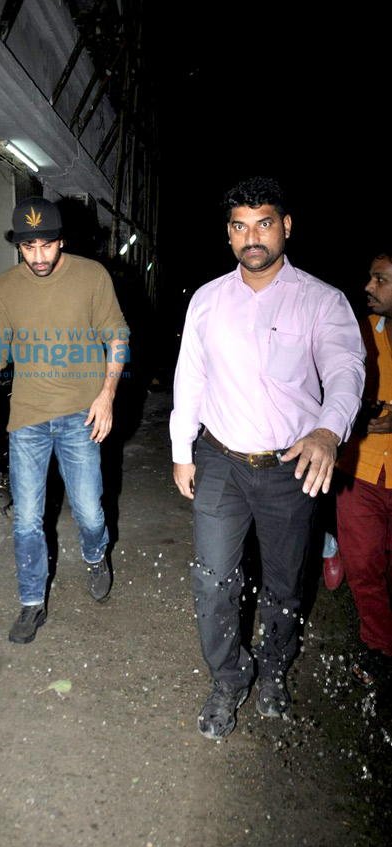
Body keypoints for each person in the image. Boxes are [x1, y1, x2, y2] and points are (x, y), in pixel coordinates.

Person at [170, 176, 365, 739]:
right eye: (239, 226)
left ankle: (275, 667)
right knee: (212, 579)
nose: (251, 237)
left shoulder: (322, 300)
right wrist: (183, 452)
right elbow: (191, 380)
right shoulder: (207, 300)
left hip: (291, 469)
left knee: (285, 583)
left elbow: (346, 369)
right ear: (228, 235)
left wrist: (329, 431)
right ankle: (228, 678)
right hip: (221, 462)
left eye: (263, 223)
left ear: (285, 227)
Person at [0, 196, 129, 644]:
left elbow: (117, 334)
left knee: (89, 511)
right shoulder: (3, 289)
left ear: (61, 240)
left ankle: (96, 553)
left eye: (46, 245)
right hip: (27, 420)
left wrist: (107, 394)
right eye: (29, 248)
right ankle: (30, 603)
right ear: (18, 246)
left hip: (82, 415)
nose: (39, 257)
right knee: (26, 518)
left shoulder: (91, 276)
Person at [336, 250, 392, 686]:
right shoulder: (359, 332)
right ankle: (378, 646)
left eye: (381, 280)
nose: (369, 288)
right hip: (361, 468)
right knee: (364, 564)